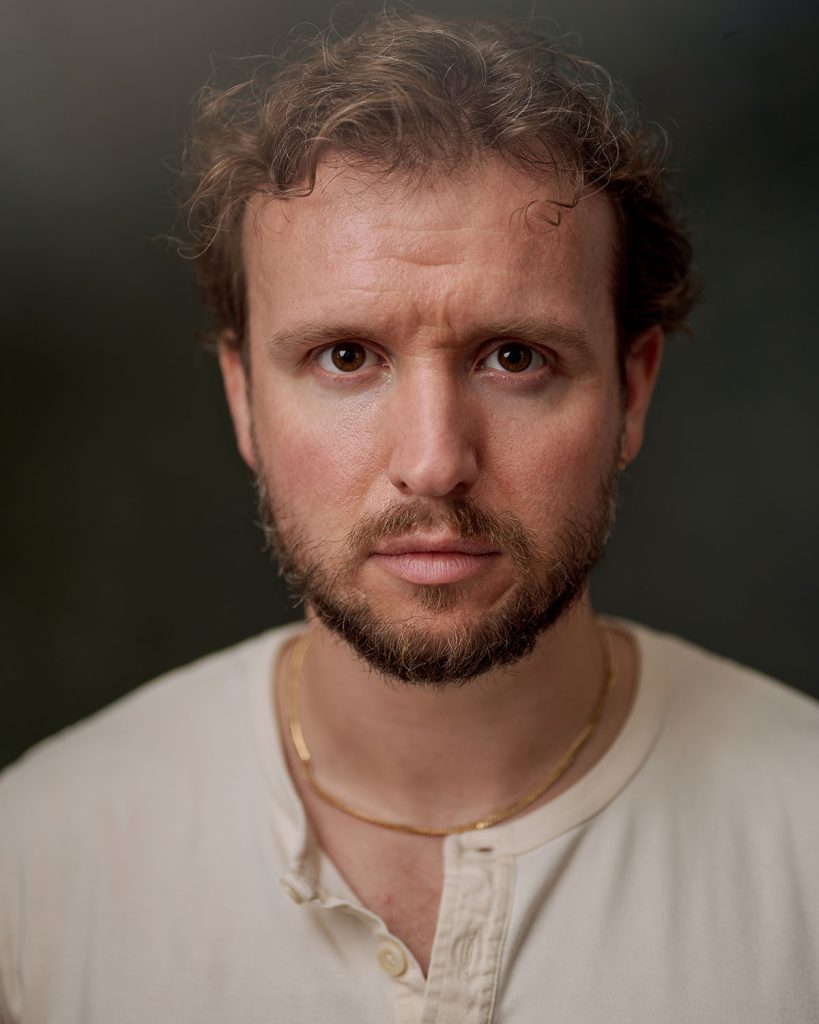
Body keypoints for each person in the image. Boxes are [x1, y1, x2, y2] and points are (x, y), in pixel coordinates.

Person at [1, 12, 817, 1023]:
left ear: (633, 392)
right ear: (243, 399)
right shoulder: (35, 868)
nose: (434, 461)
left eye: (514, 357)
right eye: (346, 357)